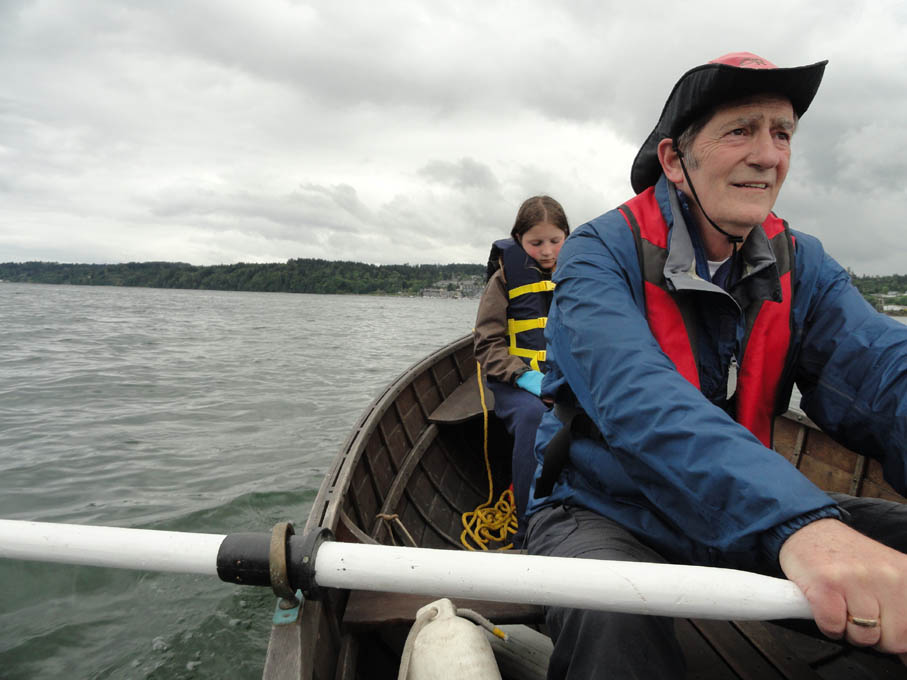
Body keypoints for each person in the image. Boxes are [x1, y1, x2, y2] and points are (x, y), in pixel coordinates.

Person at [525, 52, 907, 678]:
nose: (768, 154)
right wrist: (798, 524)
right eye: (741, 130)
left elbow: (884, 372)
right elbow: (637, 400)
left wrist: (802, 524)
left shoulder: (800, 264)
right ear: (675, 161)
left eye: (782, 133)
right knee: (611, 616)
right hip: (603, 508)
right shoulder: (597, 255)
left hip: (738, 508)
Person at [474, 195, 569, 546]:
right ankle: (526, 527)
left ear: (567, 237)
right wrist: (524, 377)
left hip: (565, 377)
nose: (546, 251)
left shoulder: (583, 272)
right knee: (534, 417)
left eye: (555, 241)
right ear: (518, 241)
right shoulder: (503, 279)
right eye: (535, 243)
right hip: (515, 382)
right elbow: (486, 344)